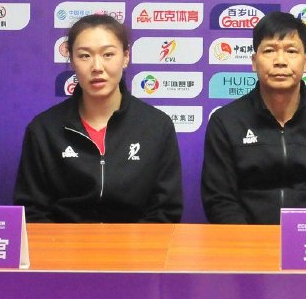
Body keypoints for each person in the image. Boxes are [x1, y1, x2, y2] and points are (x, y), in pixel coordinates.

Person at [14, 14, 182, 222]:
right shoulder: (44, 130)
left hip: (138, 241)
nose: (97, 67)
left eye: (108, 54)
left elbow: (165, 211)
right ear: (71, 60)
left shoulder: (156, 126)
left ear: (126, 56)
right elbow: (32, 211)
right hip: (63, 242)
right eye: (85, 56)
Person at [201, 10, 306, 224]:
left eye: (291, 51)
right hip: (246, 239)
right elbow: (219, 201)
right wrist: (248, 239)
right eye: (269, 50)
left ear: (305, 62)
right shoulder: (226, 122)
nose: (280, 61)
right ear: (254, 61)